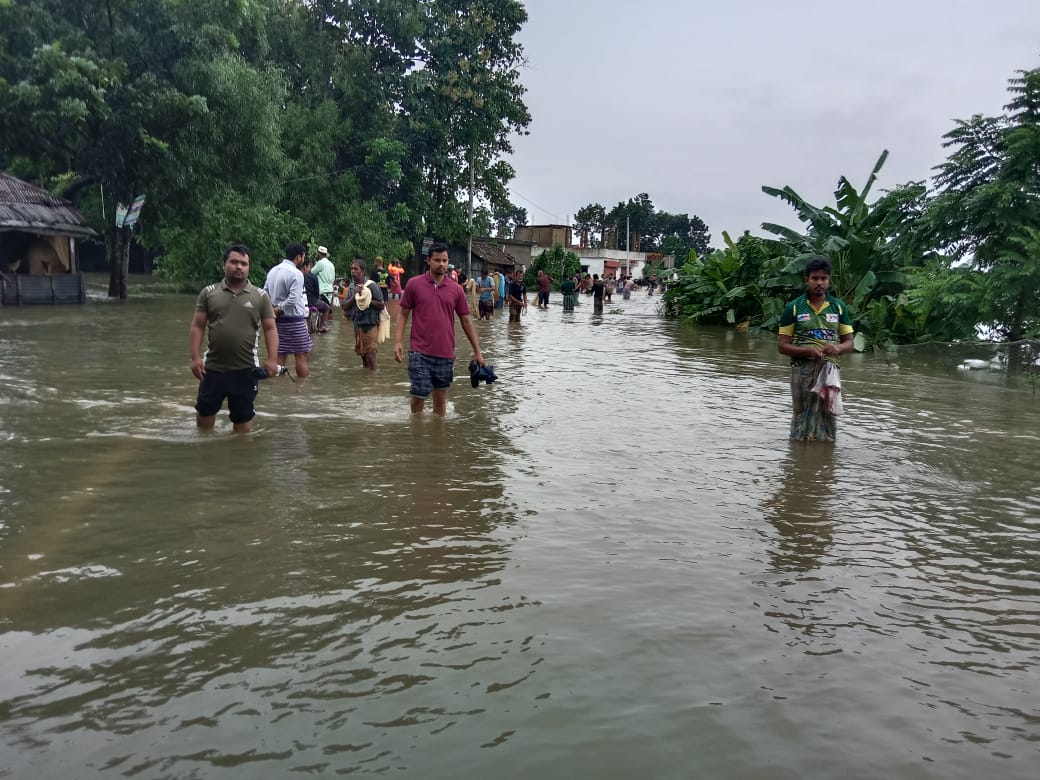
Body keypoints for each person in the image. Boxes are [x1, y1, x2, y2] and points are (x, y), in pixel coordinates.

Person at [189, 244, 279, 433]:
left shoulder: (260, 296)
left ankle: (241, 460)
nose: (239, 266)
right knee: (203, 419)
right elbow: (198, 326)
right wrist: (195, 358)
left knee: (243, 424)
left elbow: (270, 328)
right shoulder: (209, 293)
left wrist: (272, 359)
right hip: (212, 369)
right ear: (224, 265)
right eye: (234, 262)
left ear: (249, 267)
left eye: (244, 263)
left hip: (245, 370)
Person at [394, 242, 486, 415]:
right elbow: (403, 314)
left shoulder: (456, 290)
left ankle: (437, 435)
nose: (441, 264)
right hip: (419, 352)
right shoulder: (414, 285)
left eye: (444, 260)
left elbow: (466, 320)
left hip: (445, 353)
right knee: (419, 395)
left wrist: (477, 351)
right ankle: (416, 433)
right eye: (437, 260)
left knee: (440, 401)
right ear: (428, 261)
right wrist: (398, 342)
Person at [777, 256, 855, 442]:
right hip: (801, 368)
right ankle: (799, 455)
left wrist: (837, 348)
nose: (819, 283)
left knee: (828, 414)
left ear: (828, 280)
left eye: (823, 278)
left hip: (829, 370)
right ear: (807, 280)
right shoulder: (794, 308)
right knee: (801, 413)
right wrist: (807, 351)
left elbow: (849, 343)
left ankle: (824, 453)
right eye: (815, 278)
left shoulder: (838, 307)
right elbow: (782, 345)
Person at [263, 241, 312, 378]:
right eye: (303, 256)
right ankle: (303, 390)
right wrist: (279, 309)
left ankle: (279, 393)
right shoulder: (297, 274)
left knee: (279, 355)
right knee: (301, 355)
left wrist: (272, 310)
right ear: (299, 257)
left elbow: (264, 292)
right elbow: (293, 300)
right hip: (294, 320)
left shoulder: (273, 271)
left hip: (276, 321)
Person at [343, 257, 386, 370]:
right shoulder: (352, 287)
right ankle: (366, 382)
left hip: (370, 324)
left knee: (371, 355)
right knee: (363, 356)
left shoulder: (371, 285)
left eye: (355, 269)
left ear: (362, 271)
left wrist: (367, 299)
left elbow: (381, 305)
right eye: (351, 268)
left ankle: (373, 382)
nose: (352, 271)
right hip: (357, 325)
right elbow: (345, 306)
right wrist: (355, 295)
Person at [301, 257, 330, 333]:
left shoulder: (298, 275)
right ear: (307, 266)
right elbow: (317, 292)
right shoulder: (313, 276)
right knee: (327, 308)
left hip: (302, 301)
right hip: (312, 300)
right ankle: (322, 326)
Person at [312, 245, 336, 331]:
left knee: (319, 310)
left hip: (321, 291)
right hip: (330, 291)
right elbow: (333, 279)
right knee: (326, 310)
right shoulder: (331, 265)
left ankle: (320, 327)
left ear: (319, 253)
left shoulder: (320, 263)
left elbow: (311, 273)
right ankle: (323, 326)